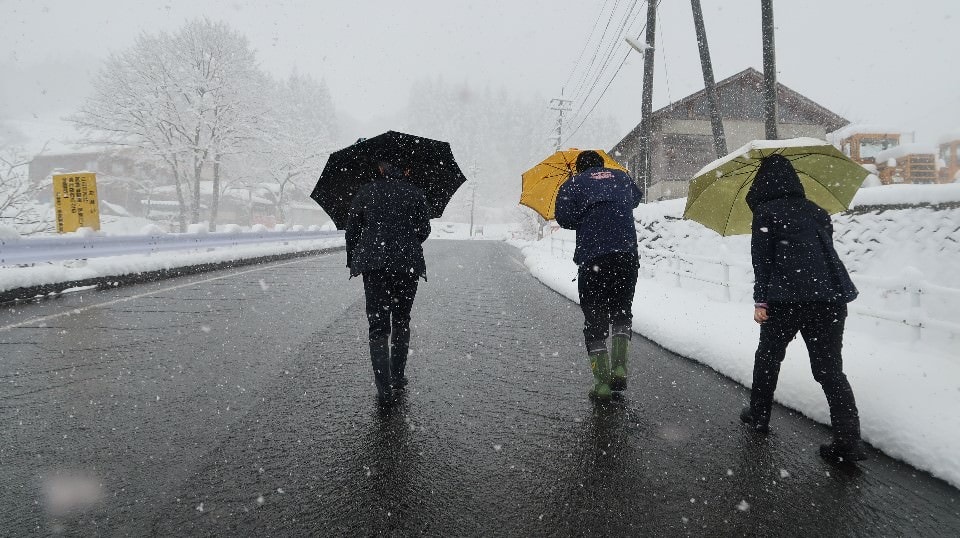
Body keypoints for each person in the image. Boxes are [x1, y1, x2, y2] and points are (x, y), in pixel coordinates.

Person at [740, 154, 866, 463]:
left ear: (762, 183)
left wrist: (761, 300)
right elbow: (821, 253)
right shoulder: (818, 211)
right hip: (829, 299)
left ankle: (758, 417)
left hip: (785, 299)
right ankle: (848, 440)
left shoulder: (766, 213)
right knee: (829, 370)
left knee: (768, 357)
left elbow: (763, 260)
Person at [555, 150, 643, 401]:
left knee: (595, 320)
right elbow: (635, 200)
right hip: (626, 255)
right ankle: (620, 368)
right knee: (622, 312)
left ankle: (602, 384)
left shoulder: (573, 183)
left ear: (579, 168)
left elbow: (565, 219)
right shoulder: (622, 177)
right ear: (602, 163)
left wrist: (584, 205)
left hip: (593, 258)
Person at [346, 160, 431, 404]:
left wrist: (356, 256)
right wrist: (406, 241)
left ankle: (383, 391)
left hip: (374, 266)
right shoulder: (415, 193)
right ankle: (398, 376)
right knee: (401, 319)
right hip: (407, 264)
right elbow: (424, 230)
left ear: (380, 168)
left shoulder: (366, 192)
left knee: (378, 327)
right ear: (405, 169)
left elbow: (351, 230)